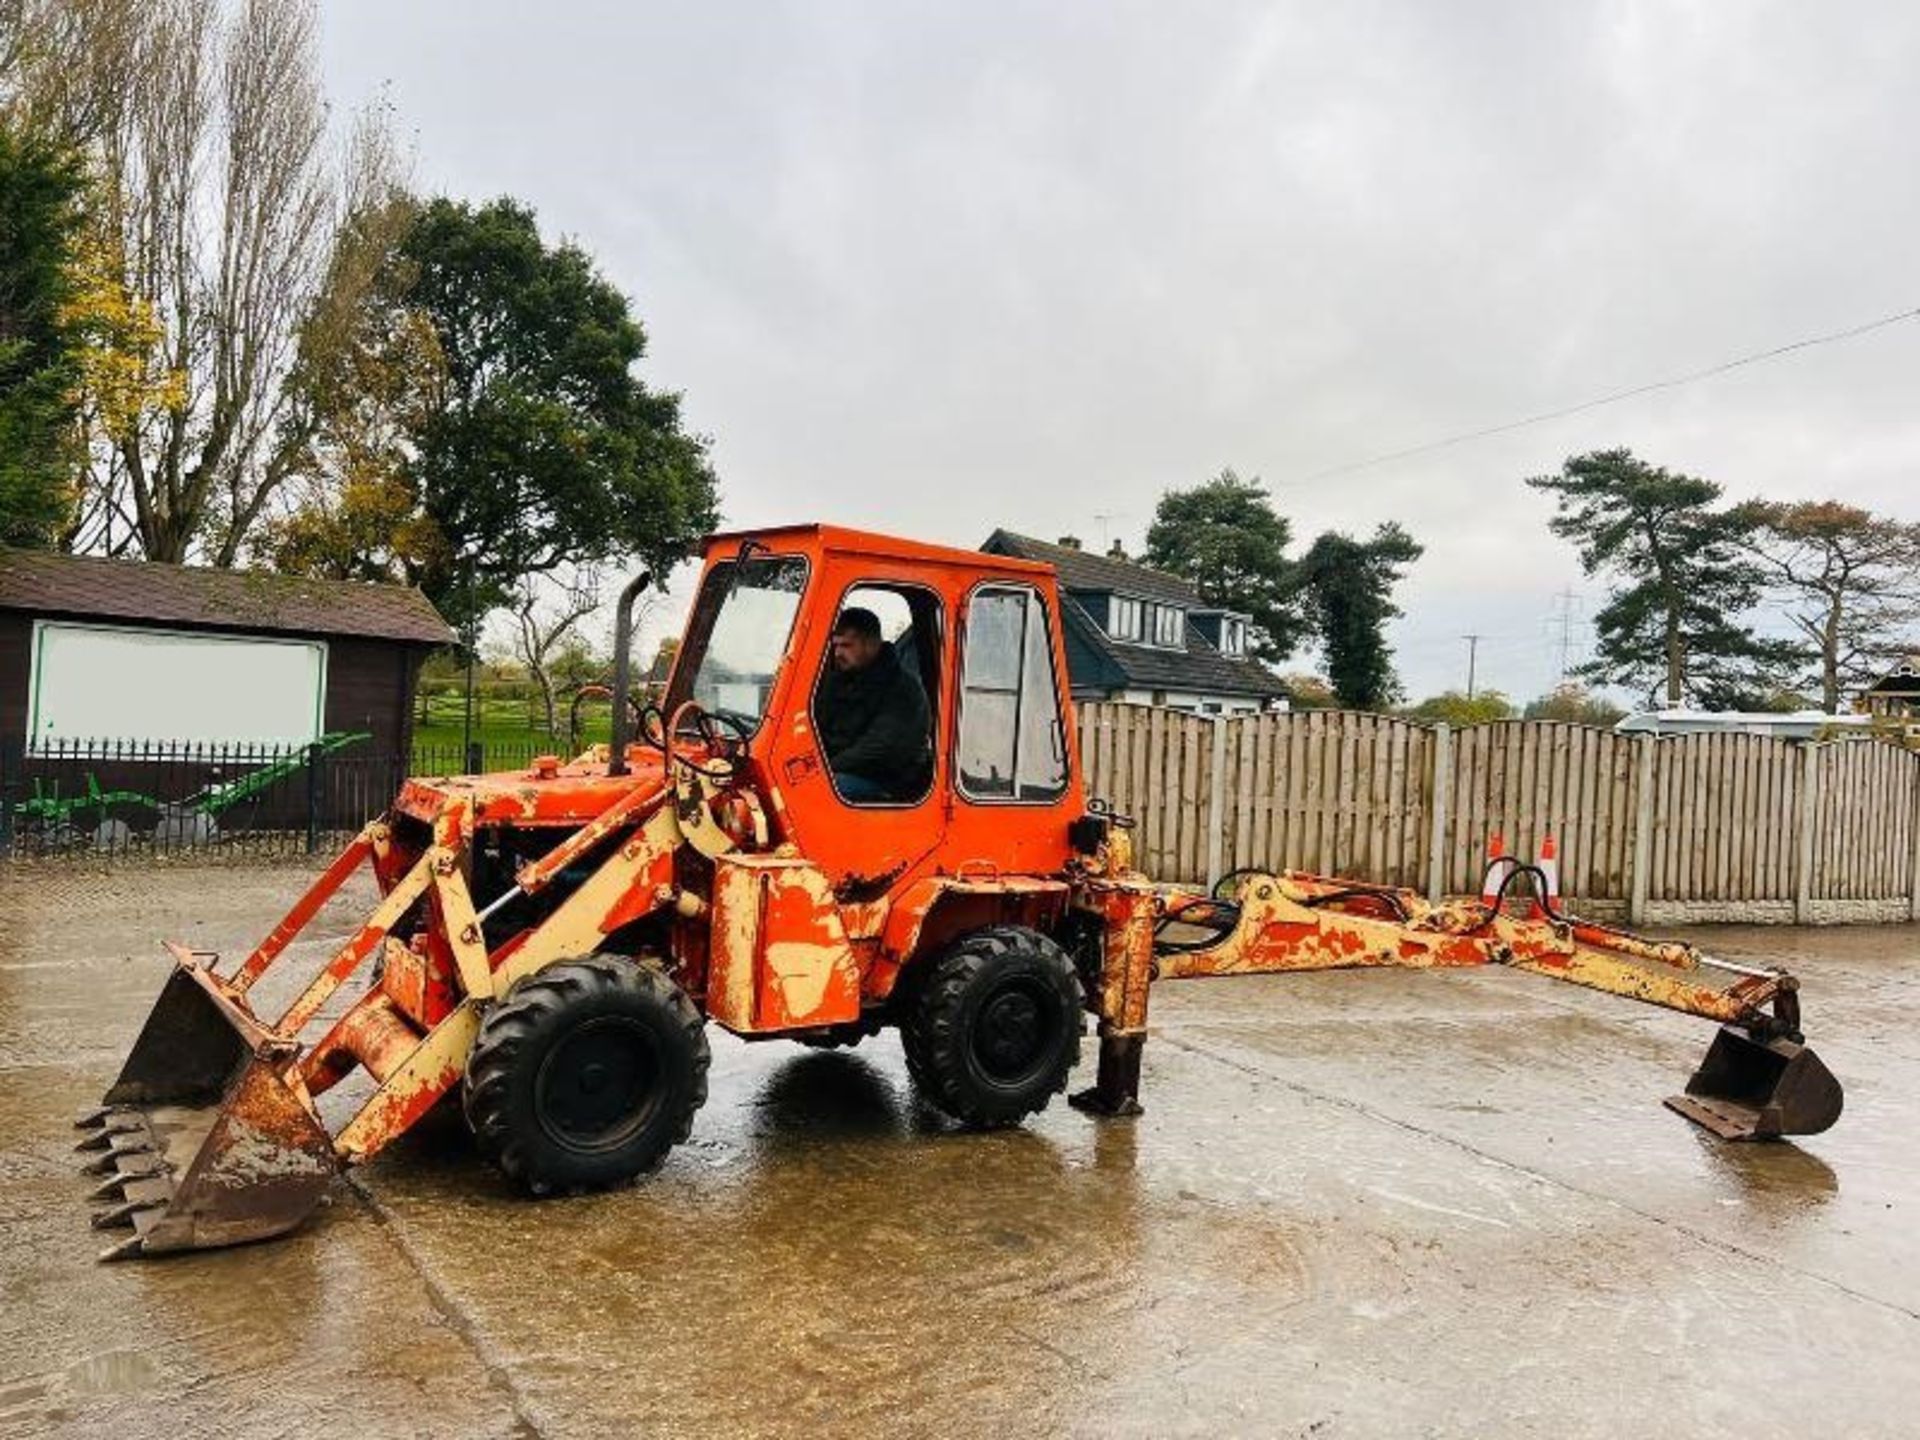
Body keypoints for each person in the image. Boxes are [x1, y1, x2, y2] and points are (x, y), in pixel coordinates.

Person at [815, 607, 932, 802]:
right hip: (838, 768)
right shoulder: (837, 679)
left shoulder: (903, 689)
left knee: (814, 791)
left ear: (871, 644)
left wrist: (821, 768)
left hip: (885, 781)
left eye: (846, 645)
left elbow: (879, 749)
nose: (837, 653)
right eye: (835, 646)